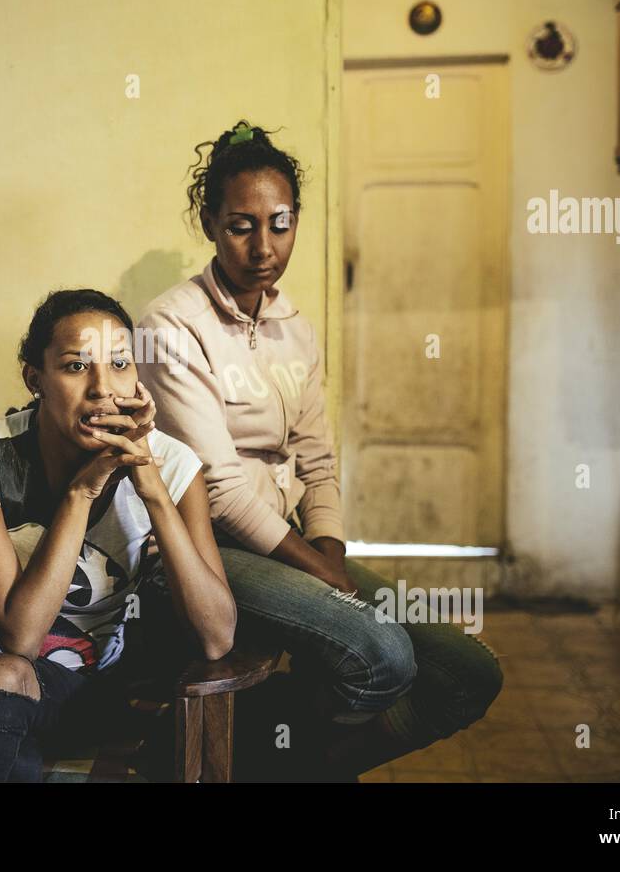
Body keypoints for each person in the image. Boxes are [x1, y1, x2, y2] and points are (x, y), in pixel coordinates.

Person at [136, 119, 503, 780]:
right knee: (382, 653)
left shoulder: (295, 330)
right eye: (241, 225)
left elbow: (318, 457)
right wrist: (314, 563)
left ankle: (281, 767)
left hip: (290, 539)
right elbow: (217, 487)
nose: (263, 245)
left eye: (280, 223)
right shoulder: (169, 327)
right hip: (201, 548)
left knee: (465, 669)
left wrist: (329, 546)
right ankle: (253, 757)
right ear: (211, 223)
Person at [0, 289, 236, 782]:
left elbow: (216, 638)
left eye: (120, 364)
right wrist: (83, 490)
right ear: (35, 379)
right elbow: (20, 637)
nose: (102, 388)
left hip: (76, 694)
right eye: (77, 367)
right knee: (3, 683)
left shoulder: (177, 467)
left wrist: (154, 490)